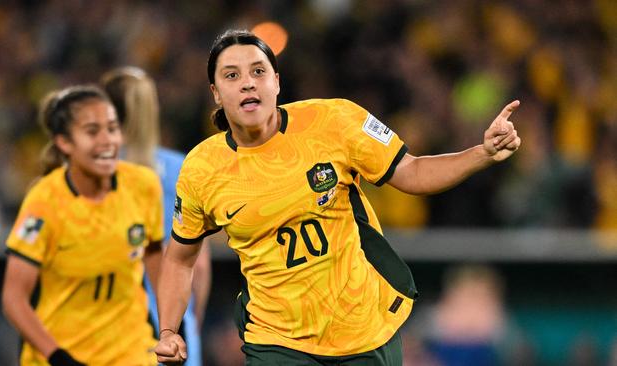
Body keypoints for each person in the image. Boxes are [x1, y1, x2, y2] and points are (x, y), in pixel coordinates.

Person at [155, 29, 521, 365]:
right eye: (232, 76)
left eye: (258, 71)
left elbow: (411, 171)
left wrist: (482, 152)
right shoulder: (202, 168)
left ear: (277, 81)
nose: (248, 84)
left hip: (363, 330)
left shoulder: (336, 121)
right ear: (216, 93)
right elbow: (180, 258)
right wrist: (169, 331)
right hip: (276, 341)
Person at [1, 85, 164, 366]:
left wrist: (172, 325)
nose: (107, 141)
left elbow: (154, 257)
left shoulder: (143, 184)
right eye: (92, 132)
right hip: (63, 354)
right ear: (64, 142)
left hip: (133, 352)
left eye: (112, 129)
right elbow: (14, 298)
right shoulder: (44, 203)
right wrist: (58, 357)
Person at [101, 66, 212, 366]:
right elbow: (197, 267)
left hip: (110, 328)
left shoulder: (95, 174)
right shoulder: (181, 168)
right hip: (171, 326)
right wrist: (191, 325)